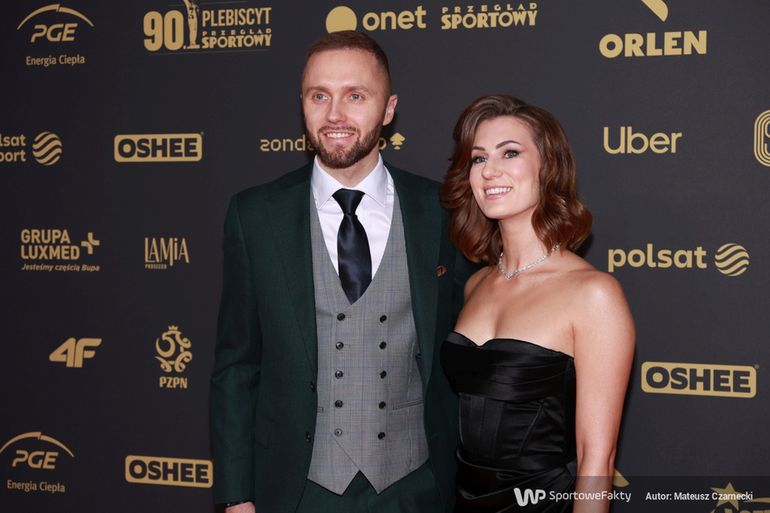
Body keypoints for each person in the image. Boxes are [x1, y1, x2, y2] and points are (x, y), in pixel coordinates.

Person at [210, 31, 466, 513]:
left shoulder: (441, 211)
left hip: (414, 485)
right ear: (302, 105)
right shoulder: (255, 215)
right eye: (319, 96)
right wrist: (236, 495)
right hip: (299, 489)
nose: (334, 115)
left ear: (388, 109)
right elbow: (237, 364)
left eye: (355, 96)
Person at [439, 95, 635, 513]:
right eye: (478, 158)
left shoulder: (593, 294)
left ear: (548, 166)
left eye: (509, 153)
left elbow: (596, 459)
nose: (489, 170)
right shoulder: (475, 284)